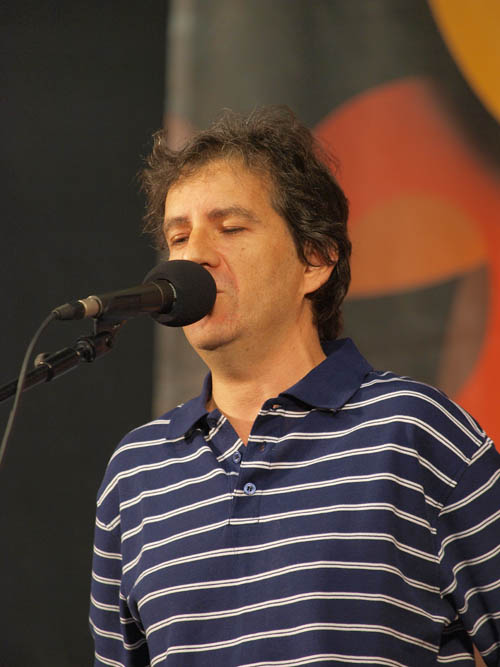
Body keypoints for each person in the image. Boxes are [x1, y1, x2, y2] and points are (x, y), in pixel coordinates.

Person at [90, 107, 500, 666]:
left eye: (231, 228)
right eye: (178, 237)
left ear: (316, 259)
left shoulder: (415, 430)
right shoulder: (135, 473)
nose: (194, 256)